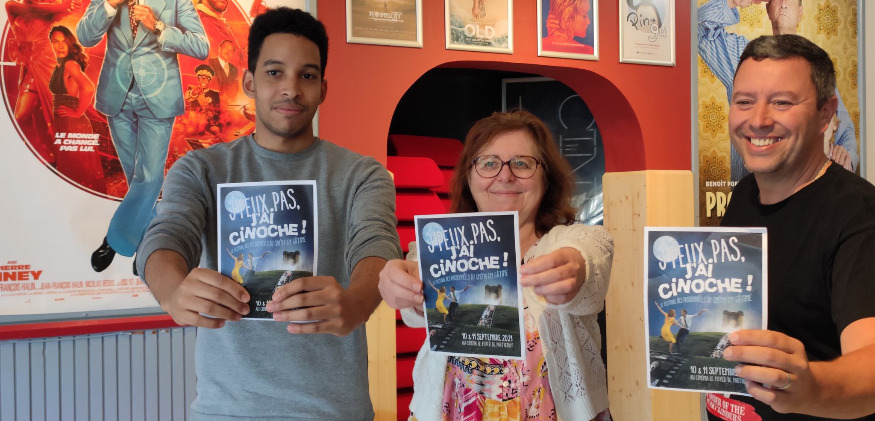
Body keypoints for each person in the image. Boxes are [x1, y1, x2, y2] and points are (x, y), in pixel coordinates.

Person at [136, 8, 401, 419]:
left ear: (323, 89)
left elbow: (377, 243)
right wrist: (171, 290)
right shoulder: (201, 169)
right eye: (275, 72)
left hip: (333, 411)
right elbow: (167, 234)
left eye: (307, 76)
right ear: (249, 82)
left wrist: (357, 302)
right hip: (225, 411)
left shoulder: (362, 174)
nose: (291, 89)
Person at [379, 110, 612, 421]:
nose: (505, 176)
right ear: (469, 178)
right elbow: (415, 310)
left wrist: (574, 270)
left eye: (522, 163)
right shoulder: (442, 247)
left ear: (546, 178)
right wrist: (401, 285)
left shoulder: (574, 240)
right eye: (488, 163)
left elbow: (591, 260)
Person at [707, 34, 875, 420]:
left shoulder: (858, 215)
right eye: (744, 101)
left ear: (825, 114)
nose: (758, 119)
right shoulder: (745, 194)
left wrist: (810, 388)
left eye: (782, 102)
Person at [78, 0, 209, 273]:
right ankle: (148, 245)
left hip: (159, 96)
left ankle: (115, 239)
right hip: (117, 94)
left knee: (149, 177)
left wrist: (158, 27)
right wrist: (109, 5)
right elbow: (85, 37)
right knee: (135, 178)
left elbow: (201, 46)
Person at [697, 0, 859, 179]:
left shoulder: (817, 67)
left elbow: (845, 128)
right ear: (768, 9)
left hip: (808, 189)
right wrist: (733, 1)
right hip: (753, 188)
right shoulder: (742, 57)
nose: (783, 4)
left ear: (800, 12)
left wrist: (847, 155)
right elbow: (697, 29)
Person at [5, 0, 77, 164]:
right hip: (29, 67)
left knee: (52, 117)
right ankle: (49, 157)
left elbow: (62, 11)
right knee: (28, 118)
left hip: (46, 65)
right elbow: (32, 9)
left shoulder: (47, 10)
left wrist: (65, 6)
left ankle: (57, 159)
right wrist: (62, 6)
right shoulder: (12, 6)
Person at [48, 25, 106, 192]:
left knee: (77, 170)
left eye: (64, 42)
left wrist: (78, 112)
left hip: (72, 123)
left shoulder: (70, 64)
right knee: (70, 169)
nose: (60, 46)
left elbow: (88, 87)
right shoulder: (60, 65)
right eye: (55, 41)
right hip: (64, 121)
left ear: (70, 43)